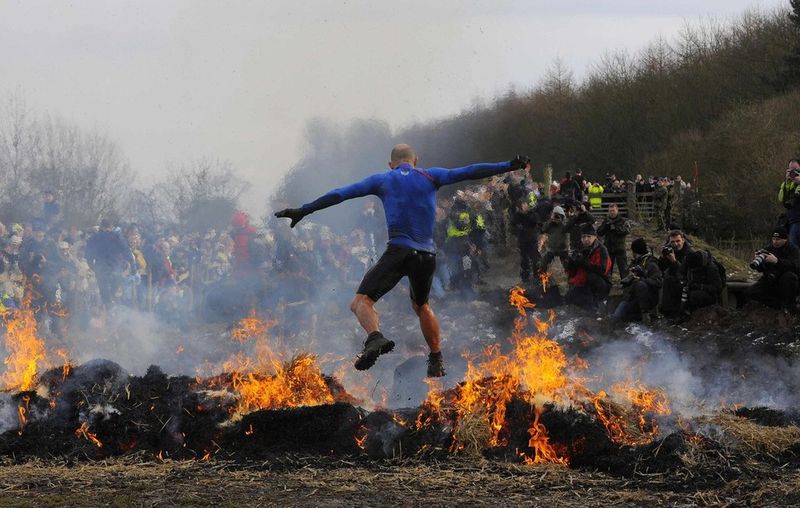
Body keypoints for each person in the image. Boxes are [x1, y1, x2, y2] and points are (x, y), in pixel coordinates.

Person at [274, 144, 529, 377]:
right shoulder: (432, 175)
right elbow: (470, 171)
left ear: (391, 164)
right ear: (415, 160)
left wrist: (304, 210)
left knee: (360, 302)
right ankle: (436, 358)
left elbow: (341, 193)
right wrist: (508, 165)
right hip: (427, 255)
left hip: (399, 251)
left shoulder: (383, 179)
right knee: (422, 306)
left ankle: (375, 338)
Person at [743, 227, 800, 310]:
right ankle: (779, 306)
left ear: (785, 239)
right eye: (773, 239)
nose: (775, 242)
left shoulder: (793, 249)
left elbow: (796, 266)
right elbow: (761, 270)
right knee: (751, 292)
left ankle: (791, 307)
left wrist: (776, 261)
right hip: (771, 279)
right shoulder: (768, 249)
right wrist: (759, 262)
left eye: (778, 239)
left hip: (787, 282)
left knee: (789, 277)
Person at [85, 218, 135, 308]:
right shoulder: (117, 237)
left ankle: (107, 314)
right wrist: (133, 266)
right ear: (111, 227)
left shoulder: (94, 238)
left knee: (105, 297)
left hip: (101, 271)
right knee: (115, 295)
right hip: (115, 270)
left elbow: (88, 256)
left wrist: (94, 268)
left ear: (101, 226)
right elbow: (126, 251)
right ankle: (114, 316)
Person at [612, 238, 662, 322]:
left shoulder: (651, 264)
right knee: (616, 317)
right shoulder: (635, 262)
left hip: (648, 299)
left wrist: (642, 278)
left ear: (635, 251)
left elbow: (658, 283)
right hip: (632, 297)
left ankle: (646, 315)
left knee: (641, 284)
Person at [564, 223, 611, 310]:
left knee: (592, 277)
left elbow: (602, 270)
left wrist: (584, 262)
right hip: (582, 282)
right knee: (567, 298)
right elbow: (571, 272)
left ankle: (599, 304)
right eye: (583, 237)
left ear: (594, 237)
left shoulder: (602, 250)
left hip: (600, 284)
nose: (586, 239)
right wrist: (571, 262)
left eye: (589, 236)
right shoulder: (579, 248)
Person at [658, 229, 693, 317]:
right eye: (673, 242)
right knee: (667, 280)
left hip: (687, 280)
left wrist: (674, 261)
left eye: (678, 241)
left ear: (683, 240)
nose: (676, 244)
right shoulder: (670, 250)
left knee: (671, 281)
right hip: (671, 279)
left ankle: (677, 313)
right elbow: (661, 268)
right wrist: (663, 257)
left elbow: (686, 272)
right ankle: (666, 312)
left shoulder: (689, 253)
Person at [597, 204, 631, 279]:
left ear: (617, 210)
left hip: (620, 248)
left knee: (623, 268)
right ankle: (607, 282)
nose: (612, 213)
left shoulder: (623, 220)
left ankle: (625, 283)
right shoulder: (606, 220)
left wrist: (616, 228)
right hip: (608, 248)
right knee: (608, 267)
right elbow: (599, 232)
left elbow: (627, 230)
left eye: (613, 211)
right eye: (610, 211)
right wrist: (605, 227)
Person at [509, 200, 540, 283]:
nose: (524, 206)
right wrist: (518, 230)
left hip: (532, 240)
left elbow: (536, 222)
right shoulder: (517, 216)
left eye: (525, 204)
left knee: (535, 260)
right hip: (522, 241)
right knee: (524, 260)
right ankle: (525, 278)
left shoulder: (532, 213)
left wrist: (526, 214)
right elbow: (511, 227)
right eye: (522, 205)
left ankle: (537, 277)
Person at [778, 158, 800, 247]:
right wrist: (787, 182)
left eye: (796, 170)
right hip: (793, 220)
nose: (793, 173)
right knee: (793, 250)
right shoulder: (787, 184)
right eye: (791, 170)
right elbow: (781, 199)